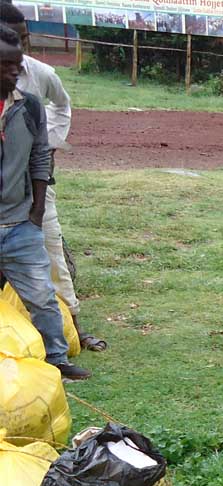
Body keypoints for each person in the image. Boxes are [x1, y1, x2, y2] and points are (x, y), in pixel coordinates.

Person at [1, 3, 104, 352]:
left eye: (25, 40)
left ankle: (73, 328)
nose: (23, 50)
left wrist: (49, 146)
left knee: (51, 255)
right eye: (15, 40)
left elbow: (62, 104)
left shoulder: (39, 75)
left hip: (30, 197)